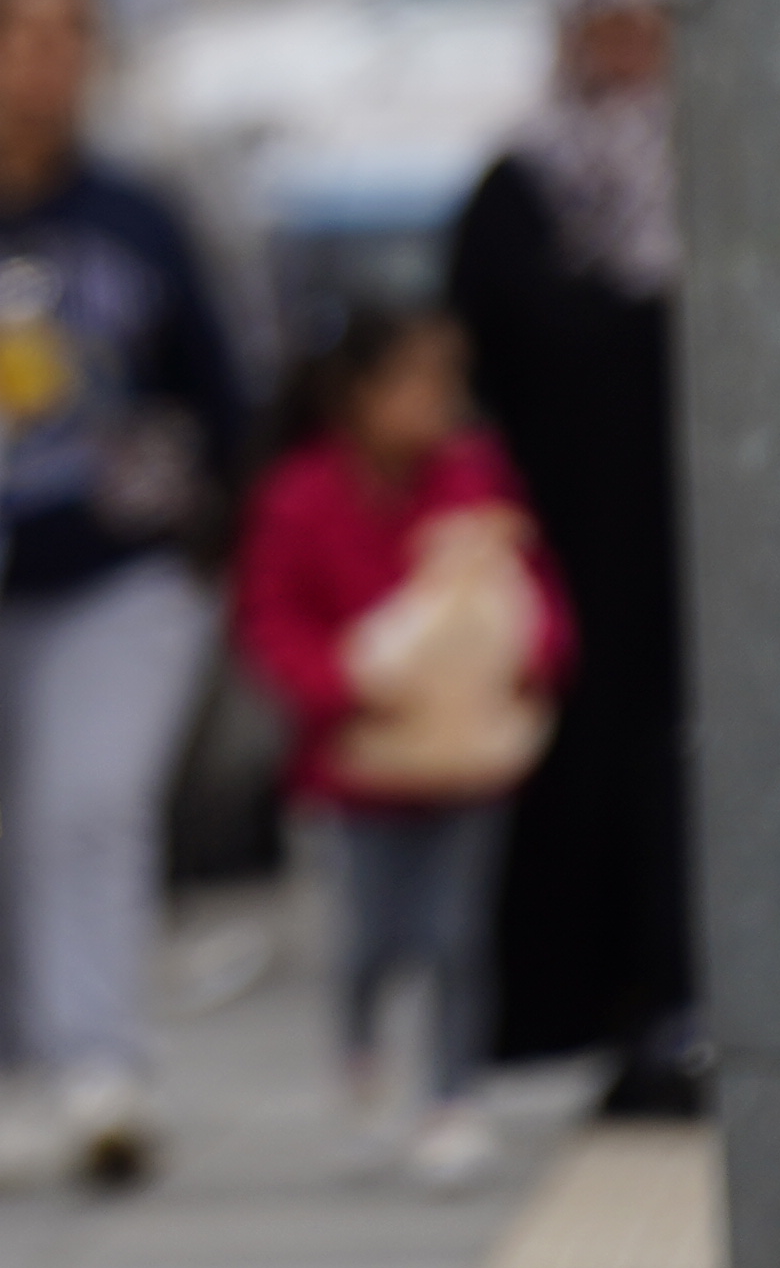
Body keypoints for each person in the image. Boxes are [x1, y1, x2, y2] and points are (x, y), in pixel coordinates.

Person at [0, 0, 253, 1189]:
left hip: (126, 569)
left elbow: (225, 394)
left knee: (94, 802)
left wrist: (206, 537)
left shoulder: (143, 214)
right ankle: (8, 1064)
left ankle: (103, 1061)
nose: (48, 59)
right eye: (26, 33)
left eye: (74, 34)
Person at [440, 0, 705, 1118]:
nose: (624, 49)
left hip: (694, 558)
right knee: (569, 787)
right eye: (604, 25)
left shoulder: (714, 181)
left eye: (643, 25)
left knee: (681, 781)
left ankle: (683, 1011)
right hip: (554, 549)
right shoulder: (519, 185)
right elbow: (481, 357)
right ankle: (568, 1027)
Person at [230, 305, 570, 1190]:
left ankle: (453, 1095)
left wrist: (530, 664)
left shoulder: (474, 478)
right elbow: (271, 620)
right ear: (357, 393)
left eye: (450, 383)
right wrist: (344, 687)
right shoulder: (300, 494)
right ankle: (364, 1076)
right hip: (355, 767)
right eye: (420, 382)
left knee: (458, 934)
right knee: (369, 938)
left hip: (468, 755)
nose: (440, 403)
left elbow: (532, 592)